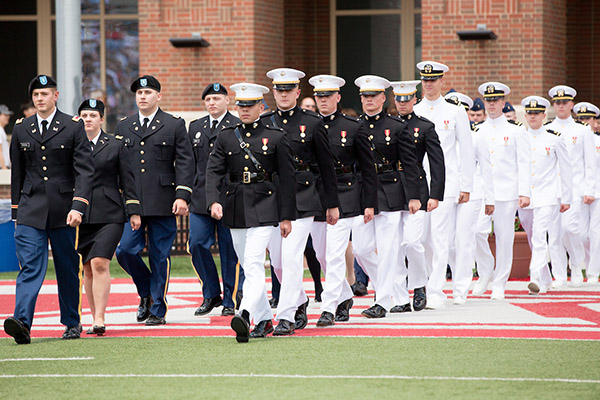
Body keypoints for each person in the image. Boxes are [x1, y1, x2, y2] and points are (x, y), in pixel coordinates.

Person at [4, 75, 94, 344]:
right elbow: (17, 174)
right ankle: (22, 322)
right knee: (30, 266)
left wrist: (79, 206)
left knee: (67, 266)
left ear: (56, 96)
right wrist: (17, 213)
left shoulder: (73, 126)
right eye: (35, 95)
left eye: (44, 94)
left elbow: (84, 171)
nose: (39, 99)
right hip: (31, 209)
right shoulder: (22, 128)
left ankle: (71, 322)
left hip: (65, 209)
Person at [205, 82, 296, 343]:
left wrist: (286, 215)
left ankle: (244, 313)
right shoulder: (226, 136)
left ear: (261, 106)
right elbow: (213, 172)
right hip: (235, 204)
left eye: (250, 105)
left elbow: (287, 180)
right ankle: (265, 319)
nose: (244, 110)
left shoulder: (276, 137)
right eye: (241, 105)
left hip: (265, 204)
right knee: (247, 263)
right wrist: (213, 201)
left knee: (254, 262)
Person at [260, 68, 339, 335]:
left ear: (297, 92)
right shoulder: (264, 121)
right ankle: (301, 300)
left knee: (293, 257)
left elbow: (326, 167)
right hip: (271, 197)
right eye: (279, 90)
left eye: (288, 90)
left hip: (303, 195)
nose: (283, 94)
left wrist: (331, 203)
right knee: (279, 263)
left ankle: (286, 317)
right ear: (273, 93)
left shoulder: (313, 122)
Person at [115, 75, 194, 326]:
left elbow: (184, 162)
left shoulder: (173, 124)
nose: (142, 96)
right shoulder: (124, 126)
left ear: (158, 96)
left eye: (148, 92)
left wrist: (182, 195)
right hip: (133, 203)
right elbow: (118, 166)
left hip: (163, 200)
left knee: (160, 256)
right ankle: (146, 292)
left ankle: (158, 308)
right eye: (139, 93)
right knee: (125, 250)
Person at [307, 74, 377, 326]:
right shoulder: (309, 124)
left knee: (336, 254)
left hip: (346, 192)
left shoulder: (353, 126)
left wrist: (369, 202)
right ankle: (345, 296)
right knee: (322, 254)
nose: (323, 100)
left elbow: (368, 168)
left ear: (338, 97)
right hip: (315, 193)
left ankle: (328, 308)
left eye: (327, 96)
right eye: (319, 96)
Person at [351, 75, 421, 319]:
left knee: (389, 249)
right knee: (361, 248)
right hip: (362, 193)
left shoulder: (398, 126)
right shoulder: (354, 126)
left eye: (373, 96)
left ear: (383, 98)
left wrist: (414, 196)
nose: (369, 100)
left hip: (390, 190)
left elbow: (411, 165)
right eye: (365, 96)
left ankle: (381, 301)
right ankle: (395, 292)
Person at [413, 61, 475, 309]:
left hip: (446, 183)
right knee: (422, 239)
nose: (428, 84)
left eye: (433, 79)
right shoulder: (415, 109)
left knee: (440, 238)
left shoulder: (455, 111)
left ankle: (435, 291)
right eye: (425, 80)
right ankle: (426, 282)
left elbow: (467, 150)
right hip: (419, 183)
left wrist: (466, 185)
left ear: (441, 82)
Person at [77, 99, 141, 335]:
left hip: (110, 213)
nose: (88, 120)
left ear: (102, 119)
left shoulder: (115, 145)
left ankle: (101, 318)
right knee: (87, 267)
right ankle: (94, 317)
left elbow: (128, 179)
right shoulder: (72, 145)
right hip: (81, 214)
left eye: (93, 115)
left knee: (100, 262)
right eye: (84, 115)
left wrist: (133, 211)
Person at [188, 83, 244, 317]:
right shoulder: (196, 127)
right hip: (201, 197)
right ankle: (211, 293)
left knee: (230, 250)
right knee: (197, 244)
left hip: (230, 197)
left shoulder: (237, 126)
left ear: (227, 101)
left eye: (217, 99)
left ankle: (231, 298)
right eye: (208, 99)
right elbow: (189, 162)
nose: (212, 103)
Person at [472, 82, 531, 300]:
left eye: (495, 100)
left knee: (505, 237)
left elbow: (524, 163)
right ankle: (485, 272)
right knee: (477, 232)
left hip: (506, 191)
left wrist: (524, 192)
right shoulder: (477, 130)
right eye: (488, 100)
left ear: (503, 102)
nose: (492, 104)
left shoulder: (516, 130)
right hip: (482, 191)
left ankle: (500, 282)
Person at [390, 80, 445, 311]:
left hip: (417, 188)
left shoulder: (424, 126)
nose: (402, 103)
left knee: (413, 242)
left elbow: (437, 162)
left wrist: (435, 194)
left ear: (415, 99)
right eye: (398, 99)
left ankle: (420, 284)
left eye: (407, 99)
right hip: (391, 188)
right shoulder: (387, 124)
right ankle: (400, 297)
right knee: (393, 246)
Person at [442, 92, 495, 303]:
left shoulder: (476, 135)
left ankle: (460, 289)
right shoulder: (441, 132)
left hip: (472, 193)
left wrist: (489, 199)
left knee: (464, 240)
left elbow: (486, 167)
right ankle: (456, 278)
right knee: (447, 242)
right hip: (446, 191)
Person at [516, 96, 571, 295]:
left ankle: (535, 279)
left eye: (536, 113)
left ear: (543, 115)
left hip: (547, 195)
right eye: (529, 113)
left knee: (539, 235)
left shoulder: (554, 137)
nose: (532, 116)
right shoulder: (519, 136)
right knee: (531, 236)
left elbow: (565, 169)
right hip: (525, 196)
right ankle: (546, 278)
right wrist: (520, 193)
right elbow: (517, 167)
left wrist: (566, 197)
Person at [546, 85, 595, 287]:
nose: (561, 106)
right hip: (551, 187)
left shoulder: (582, 130)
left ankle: (576, 264)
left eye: (564, 102)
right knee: (554, 233)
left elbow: (590, 163)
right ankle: (559, 274)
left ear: (572, 105)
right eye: (557, 102)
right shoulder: (547, 129)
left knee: (569, 229)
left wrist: (589, 189)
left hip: (575, 187)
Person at [573, 102, 600, 284]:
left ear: (595, 121)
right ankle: (589, 264)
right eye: (581, 118)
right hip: (580, 190)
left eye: (587, 118)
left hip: (598, 190)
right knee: (581, 233)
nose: (584, 122)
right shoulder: (575, 138)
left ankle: (593, 273)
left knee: (595, 232)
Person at [0, 104, 13, 168]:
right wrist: (4, 167)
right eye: (5, 115)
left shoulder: (2, 130)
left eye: (8, 115)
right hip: (2, 166)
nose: (8, 117)